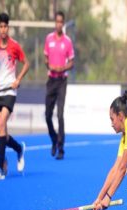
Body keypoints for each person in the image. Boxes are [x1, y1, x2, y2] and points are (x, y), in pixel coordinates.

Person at [0, 12, 29, 180]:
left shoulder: (15, 45)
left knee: (2, 122)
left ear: (8, 27)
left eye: (5, 26)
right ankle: (19, 148)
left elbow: (26, 63)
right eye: (1, 26)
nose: (3, 29)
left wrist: (18, 79)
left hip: (10, 91)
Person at [44, 11, 74, 160]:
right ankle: (54, 139)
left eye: (61, 22)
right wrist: (49, 65)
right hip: (51, 81)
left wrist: (63, 68)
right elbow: (45, 58)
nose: (59, 24)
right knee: (47, 115)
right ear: (54, 23)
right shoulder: (48, 39)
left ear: (63, 23)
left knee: (60, 114)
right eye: (57, 21)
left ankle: (61, 148)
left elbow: (72, 62)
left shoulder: (67, 41)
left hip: (62, 81)